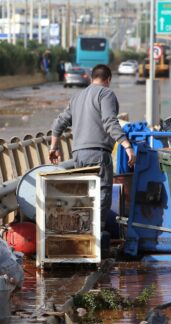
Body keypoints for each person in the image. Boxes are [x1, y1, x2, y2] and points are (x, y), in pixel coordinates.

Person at [49, 64, 136, 253]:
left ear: (90, 78)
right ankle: (95, 245)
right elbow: (109, 121)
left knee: (85, 197)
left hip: (78, 155)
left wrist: (54, 147)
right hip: (98, 153)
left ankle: (82, 240)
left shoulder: (77, 97)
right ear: (108, 79)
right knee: (101, 195)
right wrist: (127, 145)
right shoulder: (106, 94)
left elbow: (58, 123)